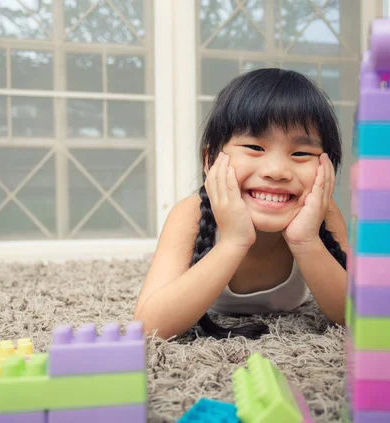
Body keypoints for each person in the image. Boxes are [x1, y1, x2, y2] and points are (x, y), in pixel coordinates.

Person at [134, 68, 349, 340]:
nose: (276, 170)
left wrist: (306, 240)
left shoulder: (322, 214)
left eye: (301, 153)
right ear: (211, 158)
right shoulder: (190, 214)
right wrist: (233, 241)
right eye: (255, 148)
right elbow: (150, 327)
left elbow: (359, 316)